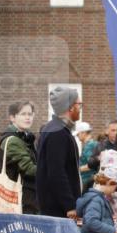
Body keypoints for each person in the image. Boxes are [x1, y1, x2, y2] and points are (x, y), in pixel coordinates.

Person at [36, 86, 82, 217]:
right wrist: (69, 205)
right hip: (58, 210)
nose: (80, 108)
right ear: (71, 107)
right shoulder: (58, 133)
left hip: (56, 207)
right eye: (79, 104)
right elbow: (56, 172)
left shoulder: (55, 129)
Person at [0, 100, 39, 214]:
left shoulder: (26, 137)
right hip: (18, 198)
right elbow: (29, 169)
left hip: (26, 197)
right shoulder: (13, 140)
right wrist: (51, 169)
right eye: (23, 114)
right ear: (12, 118)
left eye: (30, 114)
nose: (28, 118)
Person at [76, 122, 97, 192]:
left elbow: (91, 165)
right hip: (87, 181)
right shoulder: (90, 145)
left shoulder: (90, 146)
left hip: (88, 182)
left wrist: (77, 170)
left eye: (78, 134)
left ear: (83, 133)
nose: (77, 136)